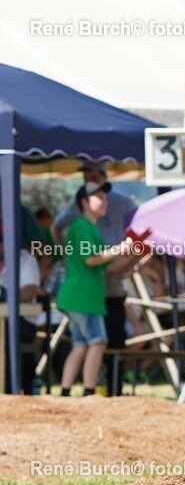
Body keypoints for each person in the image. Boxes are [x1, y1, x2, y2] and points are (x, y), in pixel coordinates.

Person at [54, 161, 138, 397]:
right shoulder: (80, 227)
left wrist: (136, 250)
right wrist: (123, 246)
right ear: (84, 202)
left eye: (105, 198)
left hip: (83, 297)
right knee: (98, 341)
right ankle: (89, 392)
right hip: (83, 297)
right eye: (99, 198)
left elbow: (108, 266)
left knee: (81, 344)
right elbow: (92, 260)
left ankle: (66, 391)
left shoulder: (89, 229)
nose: (104, 201)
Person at [0, 235, 41, 394]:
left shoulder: (24, 259)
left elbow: (28, 294)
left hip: (22, 323)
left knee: (6, 331)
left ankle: (10, 387)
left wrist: (3, 294)